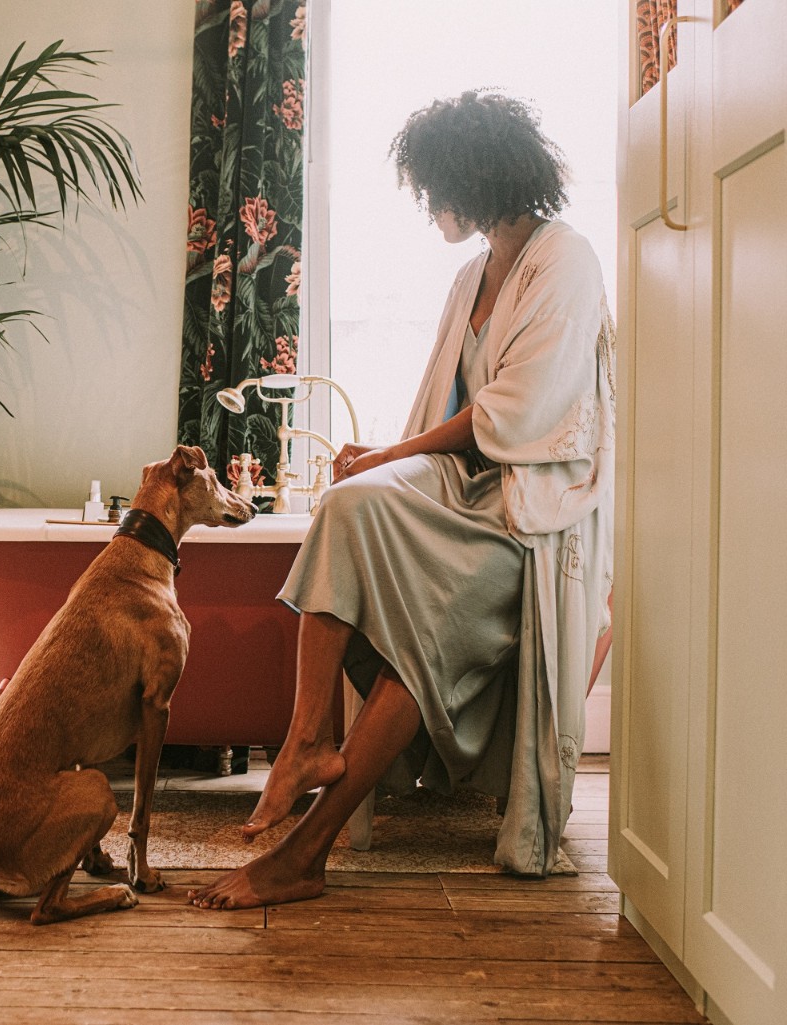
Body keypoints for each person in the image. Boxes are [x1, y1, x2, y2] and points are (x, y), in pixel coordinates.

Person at [189, 90, 615, 911]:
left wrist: (388, 453)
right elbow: (448, 402)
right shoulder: (472, 274)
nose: (430, 208)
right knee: (346, 505)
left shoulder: (567, 259)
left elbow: (513, 414)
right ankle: (308, 736)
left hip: (523, 517)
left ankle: (304, 854)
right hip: (462, 496)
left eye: (435, 191)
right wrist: (375, 464)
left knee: (419, 644)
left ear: (475, 179)